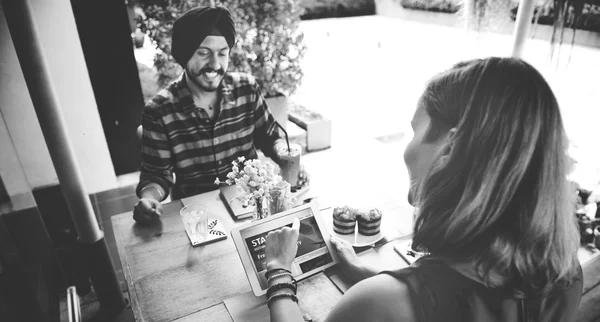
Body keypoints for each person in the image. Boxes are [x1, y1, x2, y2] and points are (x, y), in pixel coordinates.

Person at [264, 57, 583, 322]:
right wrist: (377, 277)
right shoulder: (565, 276)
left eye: (415, 130)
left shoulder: (380, 305)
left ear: (450, 149)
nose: (407, 148)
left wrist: (279, 270)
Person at [133, 5, 287, 224]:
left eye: (222, 53)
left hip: (252, 209)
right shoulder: (159, 111)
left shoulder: (247, 89)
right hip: (199, 217)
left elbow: (270, 136)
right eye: (204, 53)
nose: (215, 64)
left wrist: (286, 155)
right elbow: (156, 175)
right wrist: (149, 199)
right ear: (185, 55)